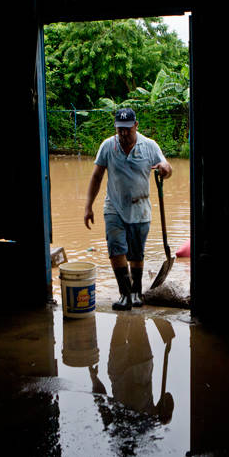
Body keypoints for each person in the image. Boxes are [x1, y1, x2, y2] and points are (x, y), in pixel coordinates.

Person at [84, 107, 172, 310]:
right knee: (115, 249)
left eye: (127, 129)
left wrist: (165, 169)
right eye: (119, 129)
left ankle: (136, 292)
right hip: (113, 207)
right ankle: (124, 294)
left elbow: (165, 167)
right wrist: (88, 206)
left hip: (140, 209)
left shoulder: (149, 146)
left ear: (136, 126)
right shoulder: (107, 146)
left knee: (136, 254)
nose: (123, 134)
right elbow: (96, 176)